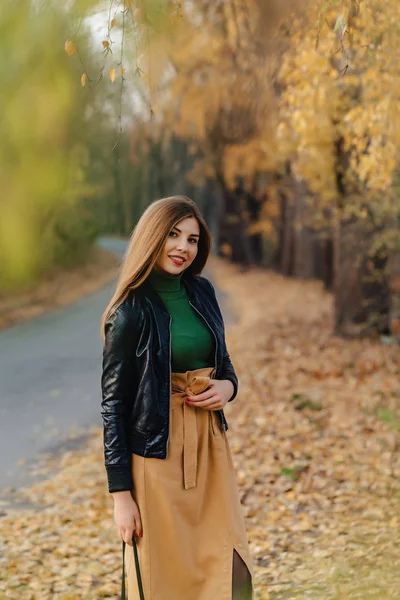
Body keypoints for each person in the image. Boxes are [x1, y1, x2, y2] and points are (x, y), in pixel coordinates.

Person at [100, 196, 254, 599]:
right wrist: (121, 495)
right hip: (156, 457)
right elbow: (113, 405)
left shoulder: (202, 292)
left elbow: (224, 361)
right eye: (173, 235)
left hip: (210, 448)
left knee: (229, 569)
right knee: (160, 577)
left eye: (191, 239)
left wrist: (228, 387)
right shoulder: (130, 310)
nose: (183, 247)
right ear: (153, 236)